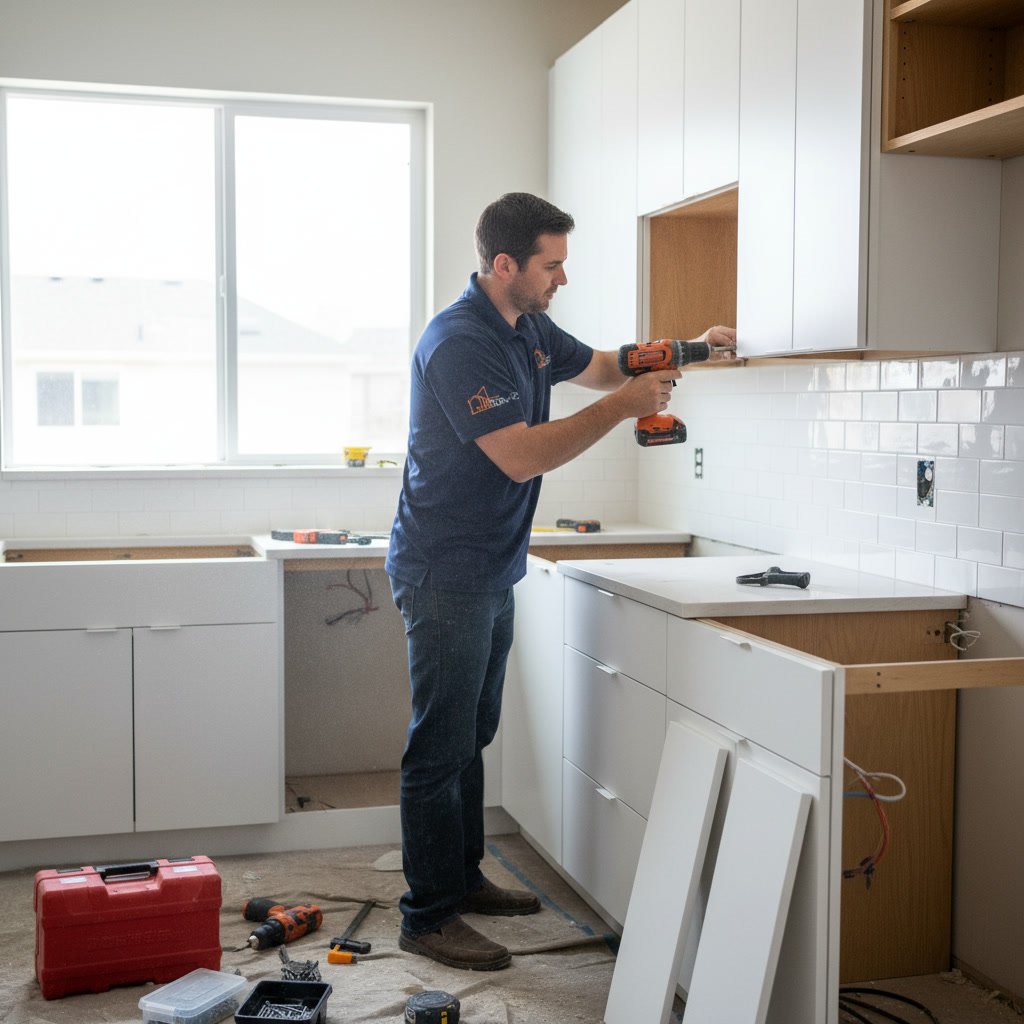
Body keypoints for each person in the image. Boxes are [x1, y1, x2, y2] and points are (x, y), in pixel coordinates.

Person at [385, 192, 735, 971]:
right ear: (505, 265)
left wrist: (694, 348)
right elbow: (520, 455)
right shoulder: (459, 343)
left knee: (471, 734)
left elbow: (607, 364)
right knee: (438, 746)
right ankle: (427, 915)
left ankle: (462, 878)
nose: (562, 278)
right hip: (446, 569)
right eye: (553, 264)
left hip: (491, 564)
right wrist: (622, 409)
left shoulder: (528, 324)